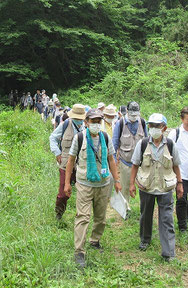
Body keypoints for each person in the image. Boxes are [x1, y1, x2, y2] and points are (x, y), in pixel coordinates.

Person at [64, 109, 121, 268]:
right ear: (86, 122)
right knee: (83, 216)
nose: (96, 124)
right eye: (93, 121)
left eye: (98, 121)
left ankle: (95, 240)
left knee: (101, 217)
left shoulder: (105, 137)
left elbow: (111, 159)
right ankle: (79, 252)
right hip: (84, 184)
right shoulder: (80, 138)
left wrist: (116, 180)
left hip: (103, 184)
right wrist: (67, 183)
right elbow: (70, 161)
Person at [129, 113, 184, 262]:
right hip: (146, 186)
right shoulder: (142, 144)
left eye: (157, 126)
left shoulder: (171, 145)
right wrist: (131, 184)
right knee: (145, 215)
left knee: (166, 219)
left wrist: (180, 184)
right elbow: (135, 165)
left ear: (164, 128)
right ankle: (145, 240)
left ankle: (168, 252)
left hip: (165, 188)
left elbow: (176, 166)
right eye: (151, 126)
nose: (153, 129)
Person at [49, 104, 86, 220]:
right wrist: (57, 153)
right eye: (77, 118)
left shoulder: (86, 127)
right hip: (65, 164)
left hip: (81, 164)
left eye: (81, 119)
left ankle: (81, 216)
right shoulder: (65, 125)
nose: (79, 121)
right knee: (63, 192)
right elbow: (52, 138)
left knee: (84, 192)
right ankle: (59, 214)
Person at [112, 101, 147, 211]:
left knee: (144, 187)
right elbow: (115, 143)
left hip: (141, 163)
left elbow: (147, 140)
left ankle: (144, 209)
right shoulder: (120, 123)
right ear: (127, 112)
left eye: (136, 115)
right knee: (125, 187)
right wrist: (113, 161)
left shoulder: (142, 122)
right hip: (125, 162)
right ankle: (125, 209)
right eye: (132, 115)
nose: (134, 117)